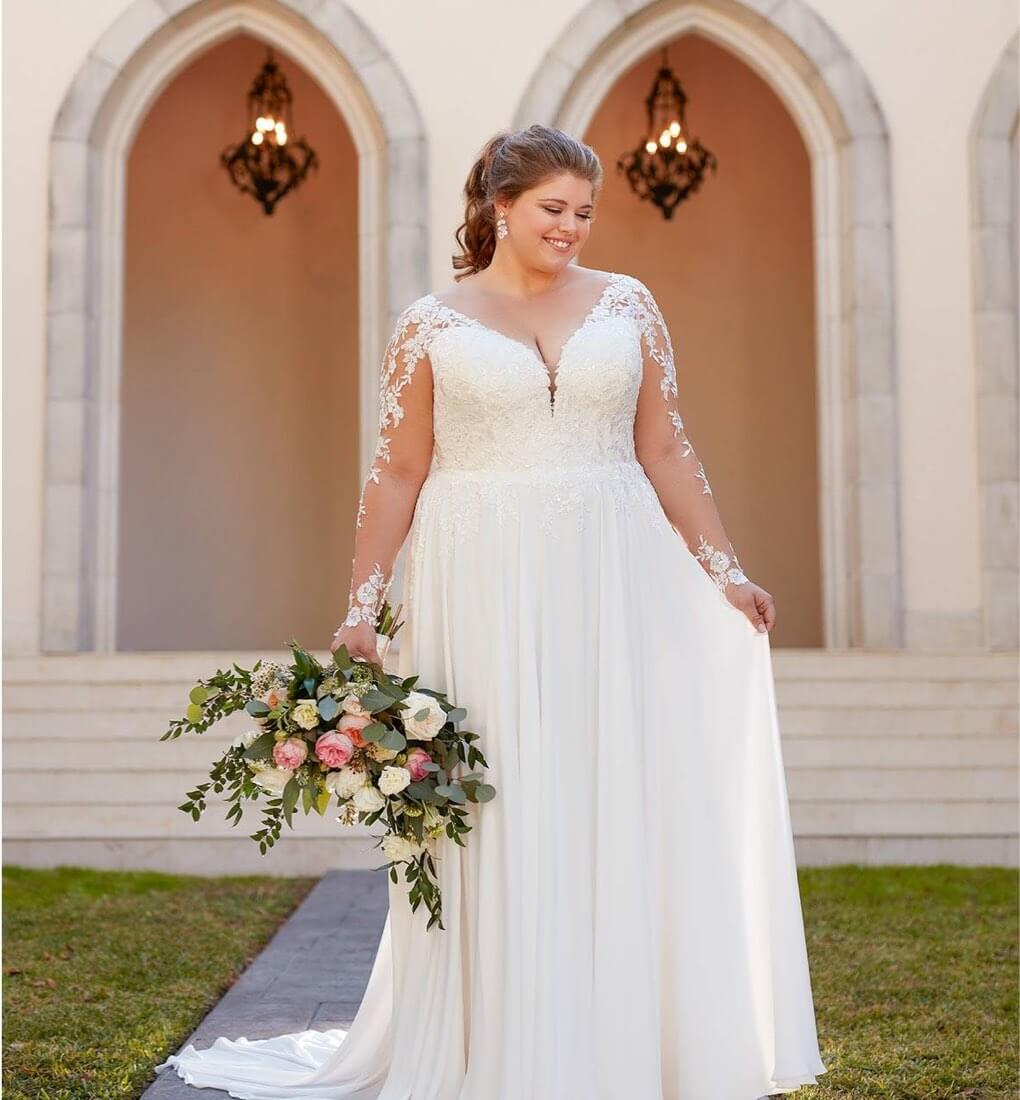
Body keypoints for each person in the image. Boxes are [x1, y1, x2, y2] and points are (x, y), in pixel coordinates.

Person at [156, 123, 827, 1099]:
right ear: (500, 206)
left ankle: (622, 1038)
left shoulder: (630, 304)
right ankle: (496, 1042)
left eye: (586, 211)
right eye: (554, 208)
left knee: (611, 783)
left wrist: (723, 569)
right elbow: (396, 471)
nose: (572, 227)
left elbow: (669, 449)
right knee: (500, 795)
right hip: (477, 578)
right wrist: (361, 604)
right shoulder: (431, 322)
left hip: (614, 569)